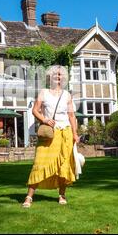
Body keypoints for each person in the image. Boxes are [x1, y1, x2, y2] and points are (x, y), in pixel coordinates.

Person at [22, 65, 80, 208]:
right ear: (50, 77)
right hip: (49, 134)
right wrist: (44, 119)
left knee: (63, 165)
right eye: (55, 74)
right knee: (39, 163)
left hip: (65, 133)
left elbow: (72, 115)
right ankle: (29, 197)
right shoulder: (44, 92)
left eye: (60, 75)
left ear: (63, 78)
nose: (57, 77)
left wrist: (74, 133)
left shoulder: (67, 95)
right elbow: (35, 110)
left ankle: (62, 195)